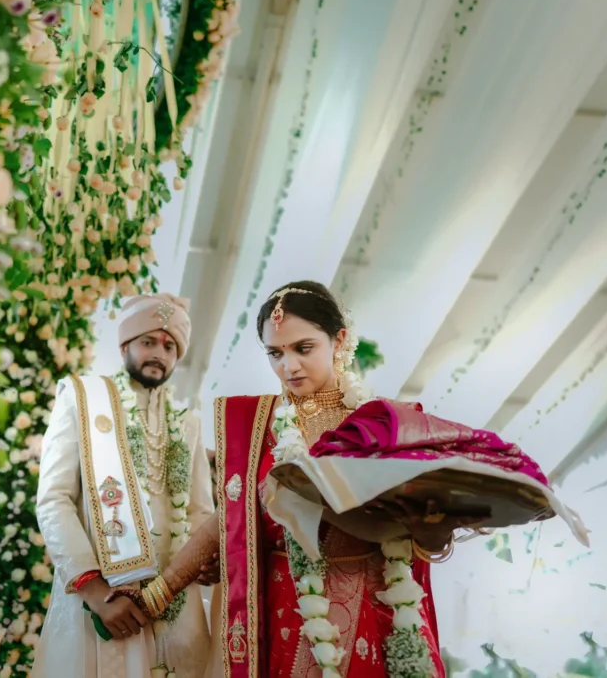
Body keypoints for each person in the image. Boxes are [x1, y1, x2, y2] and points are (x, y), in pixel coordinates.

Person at [109, 280, 565, 678]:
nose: (288, 366)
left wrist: (431, 525)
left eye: (302, 348)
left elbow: (425, 536)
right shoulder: (258, 425)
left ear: (339, 340)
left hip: (374, 608)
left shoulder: (385, 424)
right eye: (275, 353)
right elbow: (226, 519)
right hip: (281, 614)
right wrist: (157, 593)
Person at [32, 293, 215, 678]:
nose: (159, 353)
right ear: (125, 345)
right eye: (148, 341)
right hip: (103, 598)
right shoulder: (83, 400)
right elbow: (53, 500)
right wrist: (94, 590)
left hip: (174, 602)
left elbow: (200, 511)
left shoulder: (189, 423)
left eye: (170, 346)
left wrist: (206, 563)